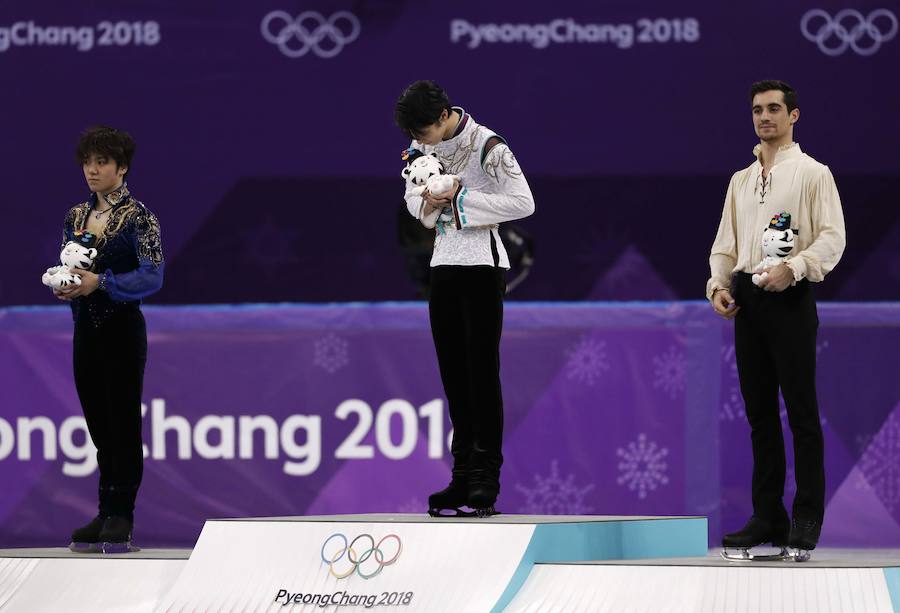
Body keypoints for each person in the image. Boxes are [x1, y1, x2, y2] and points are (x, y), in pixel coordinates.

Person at [708, 81, 845, 558]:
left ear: (794, 116)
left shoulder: (812, 173)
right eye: (756, 110)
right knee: (759, 414)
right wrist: (719, 285)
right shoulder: (741, 180)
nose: (764, 117)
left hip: (790, 295)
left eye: (773, 109)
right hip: (748, 298)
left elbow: (832, 238)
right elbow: (726, 243)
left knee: (801, 413)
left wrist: (796, 267)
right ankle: (769, 514)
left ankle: (807, 513)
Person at [395, 80, 535, 516]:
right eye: (413, 136)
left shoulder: (487, 144)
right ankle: (460, 477)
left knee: (480, 373)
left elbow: (523, 202)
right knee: (454, 375)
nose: (419, 142)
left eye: (424, 132)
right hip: (443, 265)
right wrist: (429, 198)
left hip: (483, 265)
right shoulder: (422, 146)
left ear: (442, 117)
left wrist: (460, 197)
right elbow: (415, 205)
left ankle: (485, 479)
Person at [53, 126, 164, 553]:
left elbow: (153, 275)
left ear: (122, 167)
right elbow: (70, 264)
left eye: (102, 162)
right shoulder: (75, 217)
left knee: (121, 422)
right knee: (98, 423)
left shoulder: (140, 218)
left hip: (121, 329)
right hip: (85, 328)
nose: (93, 170)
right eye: (88, 162)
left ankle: (122, 514)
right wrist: (66, 285)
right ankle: (104, 510)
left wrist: (102, 283)